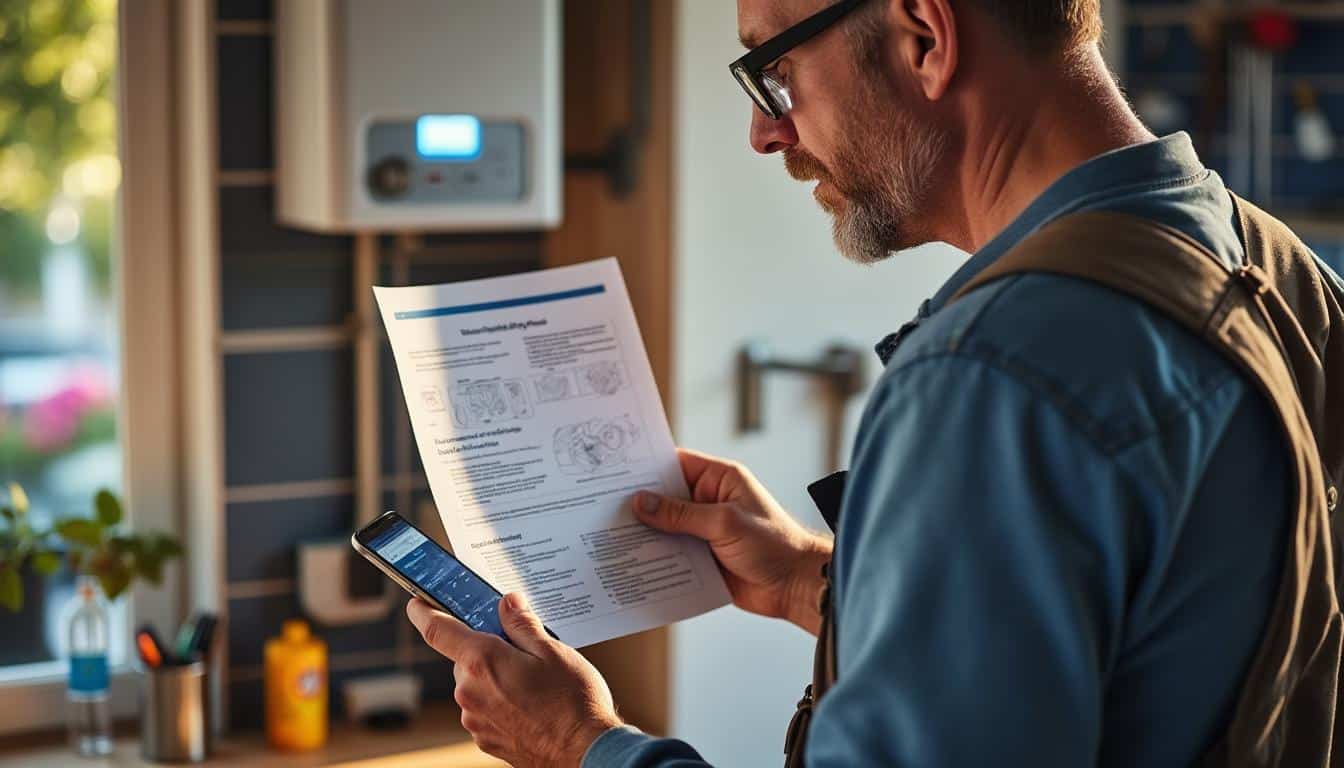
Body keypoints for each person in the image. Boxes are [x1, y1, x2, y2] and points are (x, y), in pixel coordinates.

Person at [405, 0, 1312, 764]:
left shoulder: (991, 377)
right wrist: (814, 582)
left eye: (775, 70)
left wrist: (580, 741)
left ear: (925, 33)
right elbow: (1151, 641)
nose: (766, 132)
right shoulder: (1279, 267)